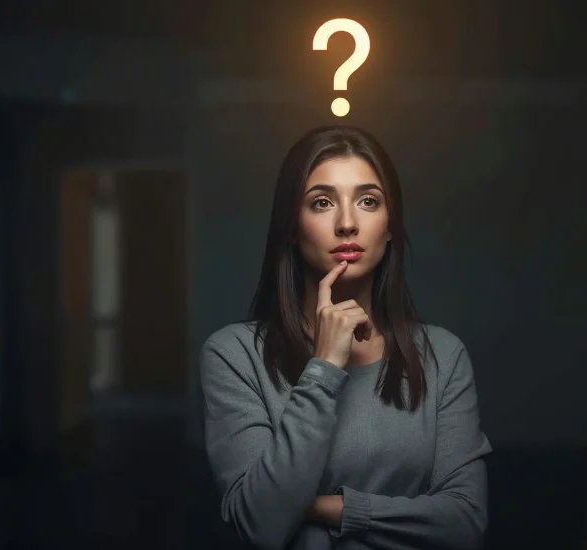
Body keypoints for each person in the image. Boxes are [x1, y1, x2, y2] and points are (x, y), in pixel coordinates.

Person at [200, 125, 492, 550]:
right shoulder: (234, 354)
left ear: (390, 226)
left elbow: (465, 522)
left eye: (368, 201)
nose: (347, 224)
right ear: (292, 227)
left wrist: (330, 508)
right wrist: (323, 368)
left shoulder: (442, 356)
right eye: (321, 203)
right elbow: (261, 524)